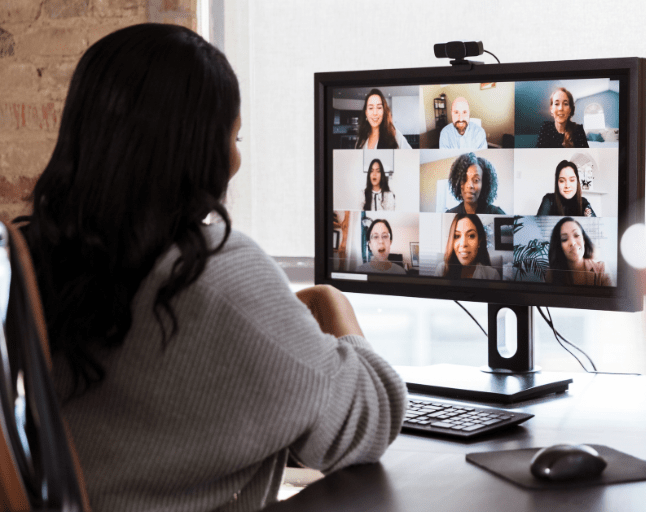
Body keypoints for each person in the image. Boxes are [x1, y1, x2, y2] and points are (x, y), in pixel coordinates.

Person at [14, 24, 406, 512]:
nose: (238, 158)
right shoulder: (216, 272)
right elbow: (369, 419)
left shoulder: (36, 257)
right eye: (234, 135)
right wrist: (330, 302)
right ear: (199, 148)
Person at [546, 217, 611, 286]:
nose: (572, 243)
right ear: (559, 246)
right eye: (564, 239)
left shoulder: (602, 269)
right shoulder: (551, 274)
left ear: (584, 240)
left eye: (576, 235)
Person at [434, 213, 500, 280]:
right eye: (457, 236)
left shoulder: (492, 275)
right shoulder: (442, 270)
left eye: (471, 236)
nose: (463, 244)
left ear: (479, 241)